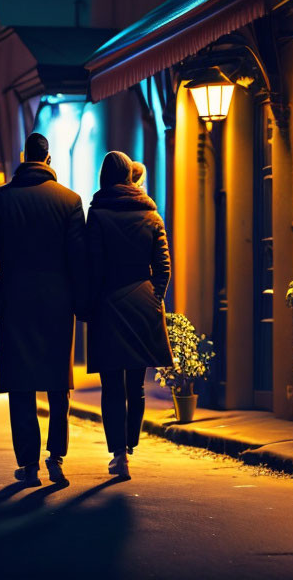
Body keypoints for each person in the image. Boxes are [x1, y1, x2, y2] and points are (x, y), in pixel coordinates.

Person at [0, 133, 86, 486]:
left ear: (24, 159)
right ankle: (56, 456)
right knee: (57, 384)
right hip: (57, 302)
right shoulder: (70, 201)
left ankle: (29, 464)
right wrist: (79, 302)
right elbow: (79, 261)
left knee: (21, 385)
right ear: (48, 159)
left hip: (16, 302)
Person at [85, 151, 174, 480]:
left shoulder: (97, 214)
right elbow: (163, 267)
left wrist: (89, 302)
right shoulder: (152, 215)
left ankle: (119, 454)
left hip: (108, 302)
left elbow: (91, 265)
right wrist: (154, 297)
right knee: (136, 383)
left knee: (112, 385)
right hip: (141, 302)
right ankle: (131, 445)